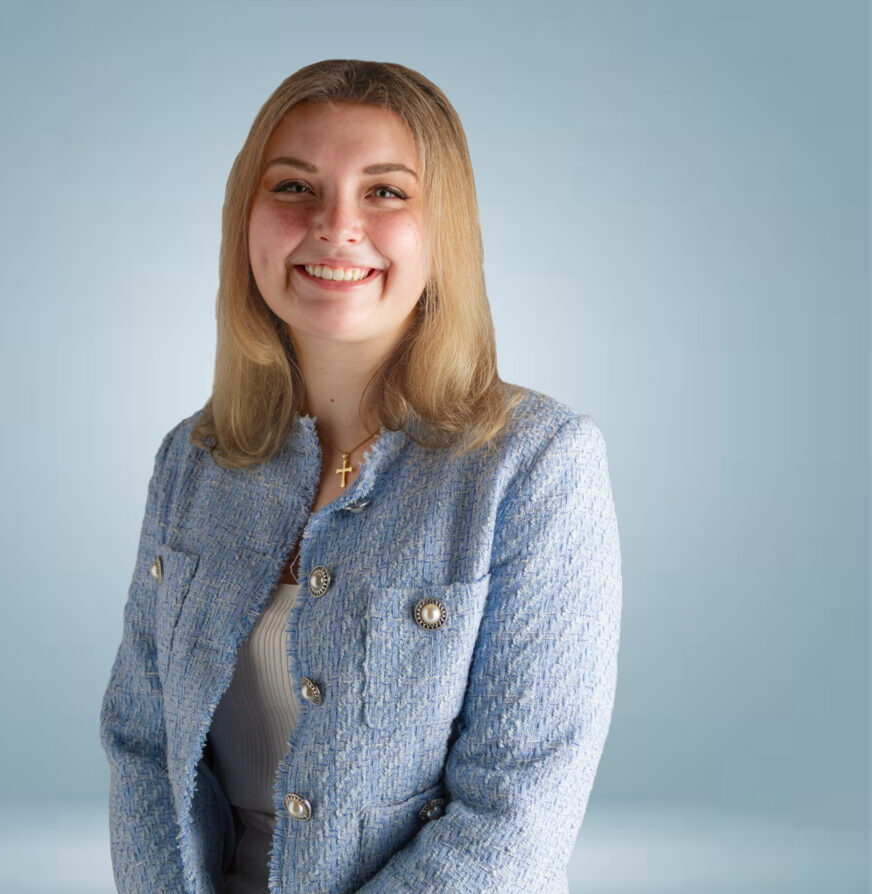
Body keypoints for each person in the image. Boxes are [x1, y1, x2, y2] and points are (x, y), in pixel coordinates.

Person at [100, 59, 621, 894]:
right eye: (294, 187)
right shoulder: (192, 460)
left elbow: (518, 813)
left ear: (443, 232)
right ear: (246, 222)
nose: (335, 226)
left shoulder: (537, 463)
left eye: (384, 192)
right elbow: (141, 746)